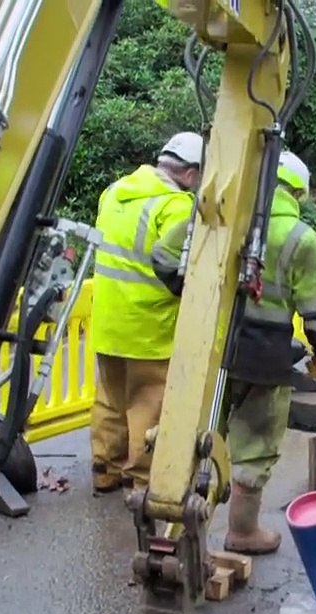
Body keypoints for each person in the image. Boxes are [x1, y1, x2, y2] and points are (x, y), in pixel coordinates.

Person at [150, 149, 316, 555]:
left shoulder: (219, 217)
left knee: (195, 427)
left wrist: (193, 296)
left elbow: (163, 258)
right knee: (255, 442)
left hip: (207, 346)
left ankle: (169, 516)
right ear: (298, 193)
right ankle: (242, 531)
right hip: (263, 357)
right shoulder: (300, 239)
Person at [88, 132, 203, 496]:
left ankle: (105, 468)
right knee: (147, 406)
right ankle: (140, 480)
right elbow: (181, 268)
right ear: (190, 172)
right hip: (148, 326)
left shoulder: (114, 193)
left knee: (110, 399)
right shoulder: (176, 206)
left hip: (107, 320)